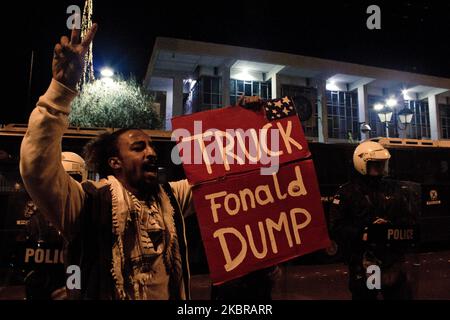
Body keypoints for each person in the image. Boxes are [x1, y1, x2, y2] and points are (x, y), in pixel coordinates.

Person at [20, 24, 194, 300]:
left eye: (151, 146)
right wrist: (61, 90)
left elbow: (220, 180)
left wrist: (251, 124)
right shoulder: (89, 202)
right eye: (139, 148)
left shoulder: (172, 198)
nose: (151, 153)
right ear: (115, 162)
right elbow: (36, 167)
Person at [329, 141, 417, 300]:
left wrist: (395, 226)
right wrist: (364, 231)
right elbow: (337, 226)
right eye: (377, 165)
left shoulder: (393, 189)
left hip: (393, 261)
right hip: (367, 262)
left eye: (383, 164)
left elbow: (407, 216)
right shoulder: (348, 192)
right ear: (362, 164)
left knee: (400, 296)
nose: (381, 169)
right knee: (368, 296)